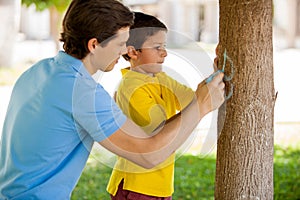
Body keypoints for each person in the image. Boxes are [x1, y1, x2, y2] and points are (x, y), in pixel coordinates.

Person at [0, 0, 225, 199]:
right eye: (119, 45)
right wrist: (201, 105)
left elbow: (147, 139)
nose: (123, 53)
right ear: (94, 44)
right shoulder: (82, 92)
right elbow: (149, 154)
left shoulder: (39, 71)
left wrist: (209, 84)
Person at [107, 12, 195, 200]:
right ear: (132, 52)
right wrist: (198, 108)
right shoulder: (131, 86)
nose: (164, 53)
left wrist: (216, 76)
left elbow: (195, 100)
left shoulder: (161, 78)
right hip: (137, 186)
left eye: (164, 46)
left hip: (160, 186)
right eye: (157, 47)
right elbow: (160, 132)